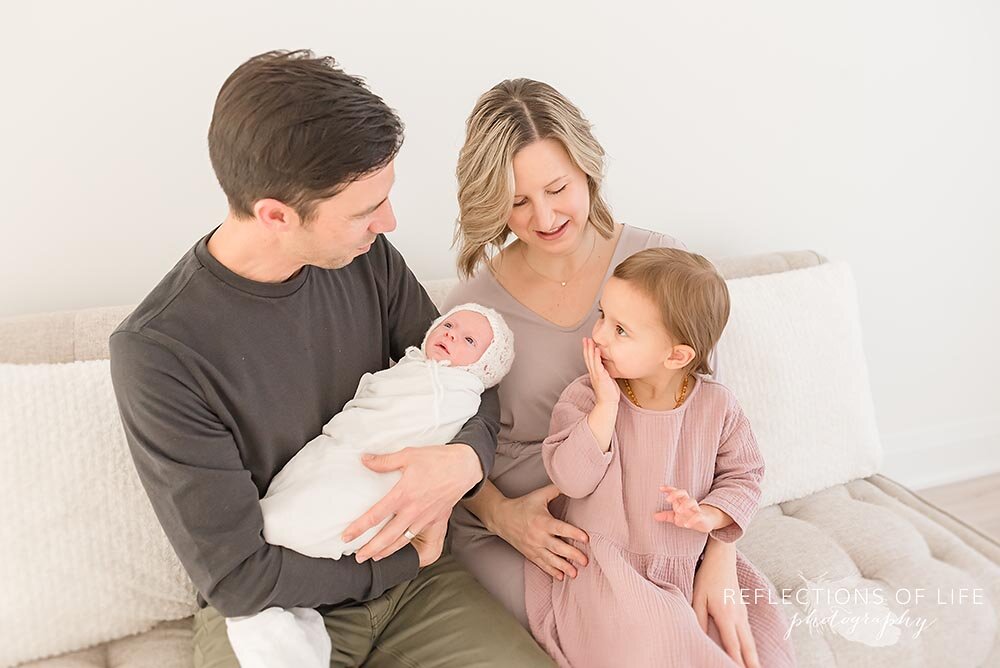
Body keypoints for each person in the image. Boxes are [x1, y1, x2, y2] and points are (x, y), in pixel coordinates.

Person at [109, 50, 553, 667]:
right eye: (366, 210)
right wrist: (398, 561)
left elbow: (469, 378)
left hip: (417, 585)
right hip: (282, 605)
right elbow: (237, 576)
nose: (389, 222)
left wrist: (463, 462)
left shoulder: (365, 256)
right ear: (275, 215)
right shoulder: (159, 354)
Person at [443, 78, 786, 668]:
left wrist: (718, 556)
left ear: (587, 170)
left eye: (557, 188)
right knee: (652, 643)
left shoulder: (658, 268)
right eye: (518, 201)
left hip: (649, 522)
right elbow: (446, 438)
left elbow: (706, 417)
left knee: (755, 638)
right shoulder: (475, 305)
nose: (545, 216)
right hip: (537, 535)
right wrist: (502, 517)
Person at [525, 248, 795, 667]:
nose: (598, 336)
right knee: (656, 638)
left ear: (676, 356)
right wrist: (605, 410)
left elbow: (745, 475)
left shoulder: (716, 406)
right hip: (609, 571)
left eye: (620, 330)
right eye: (602, 316)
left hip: (688, 562)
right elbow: (571, 480)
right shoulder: (587, 396)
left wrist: (709, 515)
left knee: (760, 636)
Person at [225, 305, 515, 668]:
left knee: (285, 529)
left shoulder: (456, 390)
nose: (452, 334)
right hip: (337, 451)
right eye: (449, 324)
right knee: (282, 511)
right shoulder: (413, 366)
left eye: (468, 340)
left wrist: (468, 458)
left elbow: (478, 401)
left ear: (483, 368)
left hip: (376, 476)